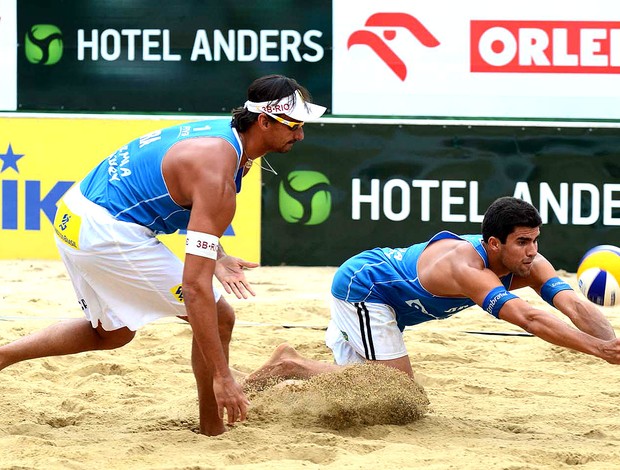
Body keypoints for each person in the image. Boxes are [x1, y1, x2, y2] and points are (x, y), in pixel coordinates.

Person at [0, 74, 326, 436]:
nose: (299, 135)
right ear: (263, 121)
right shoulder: (219, 173)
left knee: (112, 334)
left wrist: (217, 254)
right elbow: (195, 286)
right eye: (293, 125)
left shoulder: (227, 136)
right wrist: (224, 377)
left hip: (74, 213)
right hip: (107, 233)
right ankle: (212, 426)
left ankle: (4, 355)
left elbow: (192, 202)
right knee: (219, 316)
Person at [247, 196, 620, 383]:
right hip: (366, 289)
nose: (533, 251)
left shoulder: (529, 262)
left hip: (395, 309)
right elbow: (530, 318)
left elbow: (571, 303)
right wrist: (600, 350)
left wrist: (613, 343)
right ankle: (290, 364)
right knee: (397, 392)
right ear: (494, 243)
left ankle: (297, 365)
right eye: (522, 241)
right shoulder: (466, 267)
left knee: (367, 387)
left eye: (535, 240)